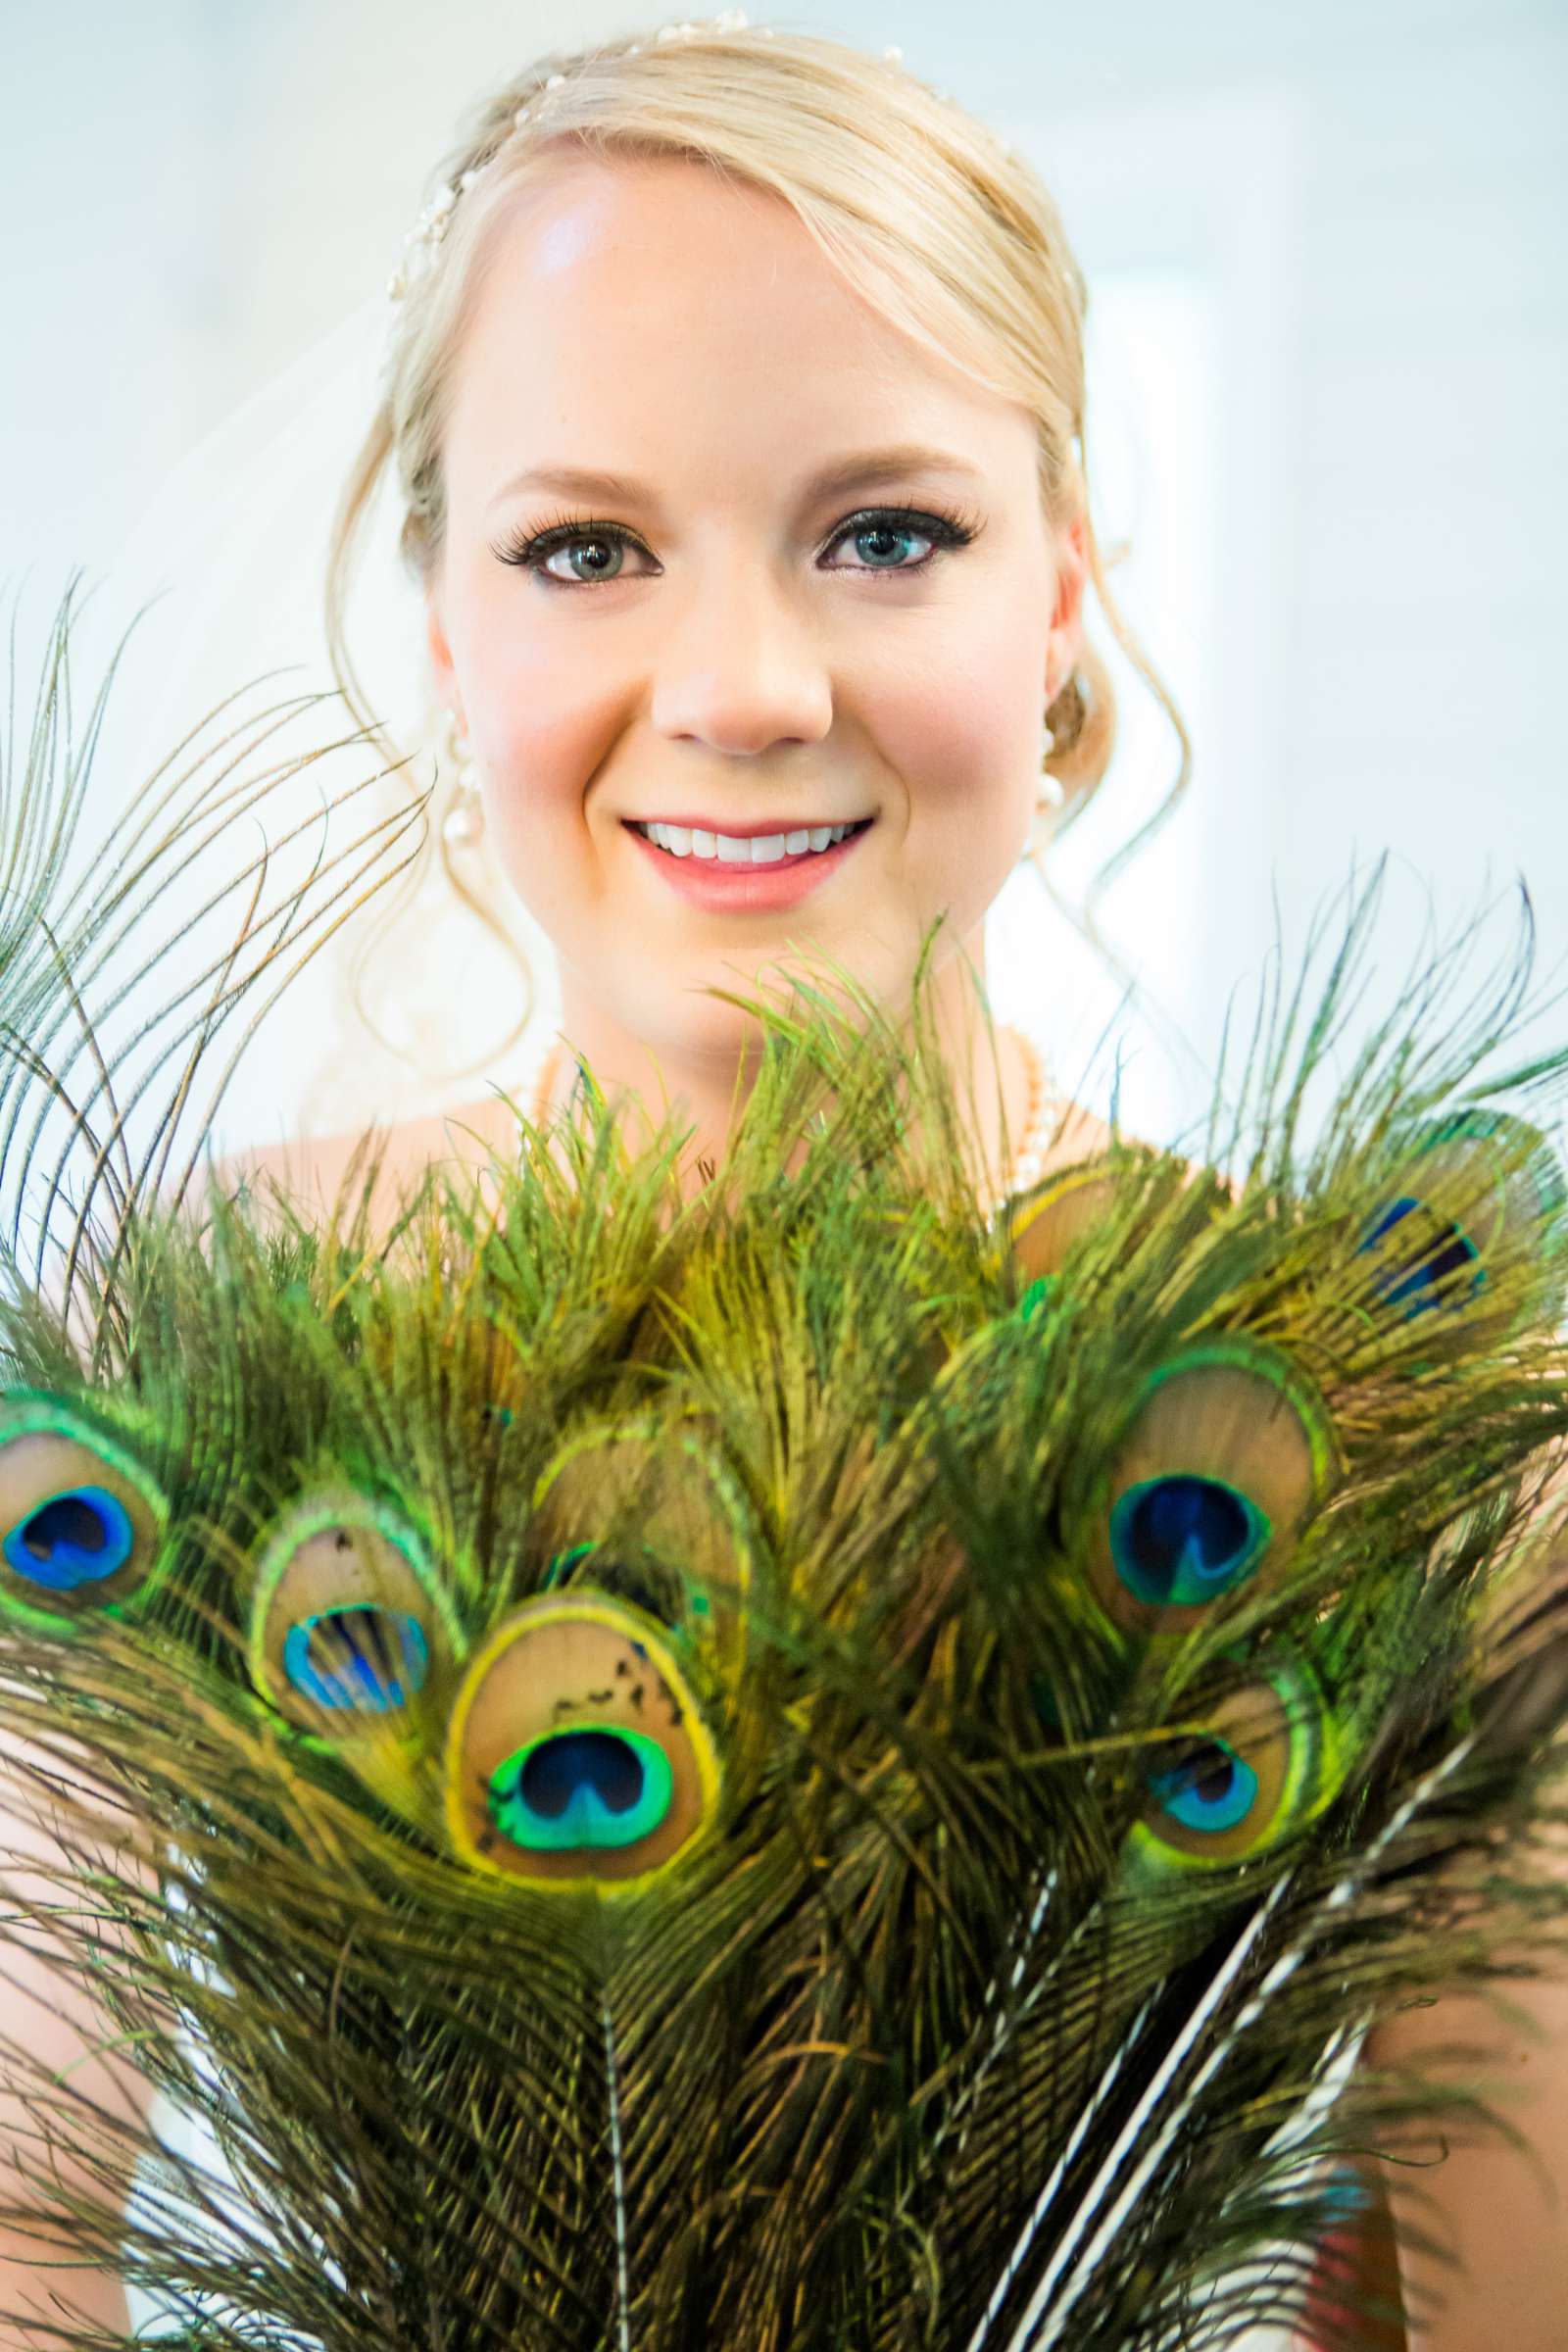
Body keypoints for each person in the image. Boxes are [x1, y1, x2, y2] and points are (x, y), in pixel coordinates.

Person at [2, 18, 1563, 2349]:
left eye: (883, 535)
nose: (736, 683)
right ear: (452, 629)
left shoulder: (1381, 1413)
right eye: (586, 546)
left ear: (1052, 608)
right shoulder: (189, 1344)